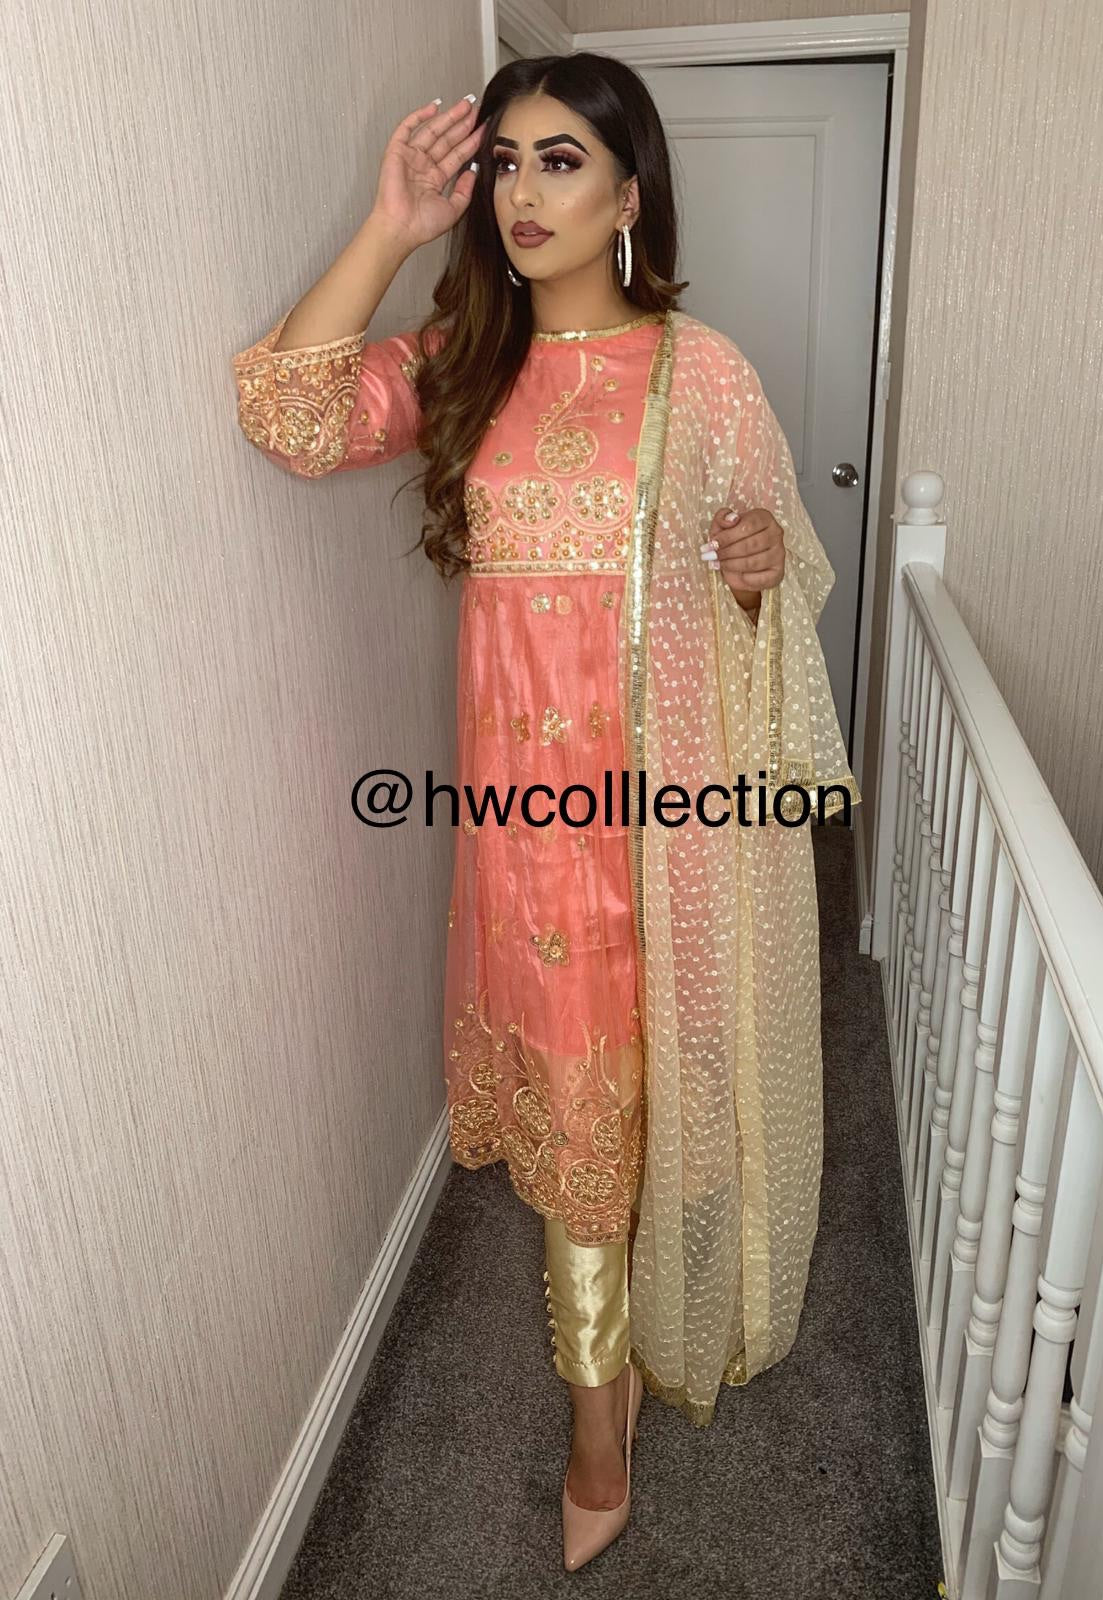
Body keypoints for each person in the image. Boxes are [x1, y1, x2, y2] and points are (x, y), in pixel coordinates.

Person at [231, 51, 861, 1569]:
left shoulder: (703, 373)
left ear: (630, 196)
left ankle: (644, 1338)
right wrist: (391, 224)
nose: (522, 192)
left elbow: (784, 570)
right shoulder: (468, 357)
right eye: (505, 162)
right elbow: (287, 414)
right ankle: (596, 1418)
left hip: (673, 823)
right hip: (532, 840)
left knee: (669, 1086)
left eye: (561, 161)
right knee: (582, 1112)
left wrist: (759, 570)